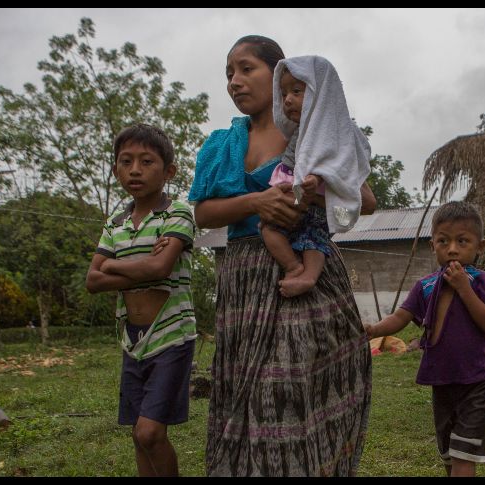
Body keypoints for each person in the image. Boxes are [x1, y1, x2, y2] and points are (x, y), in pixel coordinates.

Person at [189, 35, 376, 476]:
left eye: (246, 68)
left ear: (277, 75)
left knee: (291, 389)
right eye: (228, 73)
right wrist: (257, 203)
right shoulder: (222, 144)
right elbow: (203, 212)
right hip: (245, 278)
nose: (235, 81)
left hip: (307, 269)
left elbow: (364, 199)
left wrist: (310, 194)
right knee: (249, 395)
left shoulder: (313, 129)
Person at [85, 124, 197, 477]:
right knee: (137, 434)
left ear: (168, 172)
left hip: (172, 337)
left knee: (150, 432)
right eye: (126, 161)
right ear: (116, 168)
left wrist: (113, 264)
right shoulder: (115, 223)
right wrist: (141, 265)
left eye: (147, 161)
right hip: (132, 341)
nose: (135, 170)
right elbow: (92, 280)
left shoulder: (177, 213)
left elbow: (161, 268)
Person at [364, 201, 485, 477]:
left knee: (464, 454)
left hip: (477, 381)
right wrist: (374, 329)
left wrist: (464, 288)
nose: (452, 249)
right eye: (443, 241)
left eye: (462, 241)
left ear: (480, 246)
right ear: (432, 245)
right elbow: (402, 316)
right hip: (442, 381)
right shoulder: (425, 285)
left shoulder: (482, 281)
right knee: (449, 454)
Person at [261, 55, 371, 298]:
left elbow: (331, 160)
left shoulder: (331, 131)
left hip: (315, 201)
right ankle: (293, 266)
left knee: (313, 238)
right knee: (268, 229)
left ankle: (309, 277)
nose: (288, 99)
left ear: (320, 93)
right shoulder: (297, 132)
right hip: (292, 199)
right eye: (283, 93)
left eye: (297, 91)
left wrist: (316, 181)